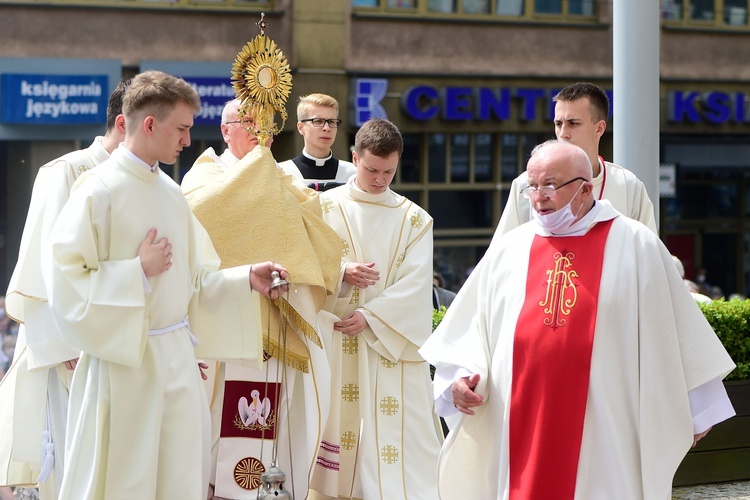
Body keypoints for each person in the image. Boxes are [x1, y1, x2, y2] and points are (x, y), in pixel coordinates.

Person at [420, 140, 736, 499]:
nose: (539, 197)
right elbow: (471, 328)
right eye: (532, 186)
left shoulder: (635, 244)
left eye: (551, 185)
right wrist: (459, 377)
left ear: (585, 188)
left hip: (607, 424)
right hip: (520, 422)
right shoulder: (510, 248)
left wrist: (695, 406)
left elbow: (674, 329)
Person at [46, 70, 289, 499]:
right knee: (126, 479)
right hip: (126, 363)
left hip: (175, 357)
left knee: (178, 478)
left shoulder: (171, 192)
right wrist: (135, 270)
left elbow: (194, 280)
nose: (188, 139)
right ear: (149, 124)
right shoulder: (97, 191)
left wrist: (242, 278)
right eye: (181, 128)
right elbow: (65, 281)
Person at [181, 98, 341, 500]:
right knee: (216, 422)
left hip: (275, 316)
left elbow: (304, 227)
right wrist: (259, 172)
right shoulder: (203, 174)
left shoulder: (279, 177)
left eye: (265, 125)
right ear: (225, 130)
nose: (259, 133)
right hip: (224, 320)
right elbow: (205, 211)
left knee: (276, 427)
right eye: (248, 123)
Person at [0, 78, 130, 499]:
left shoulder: (141, 179)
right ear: (125, 123)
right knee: (71, 465)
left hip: (118, 347)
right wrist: (67, 343)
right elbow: (44, 266)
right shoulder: (66, 172)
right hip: (70, 352)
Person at [309, 118, 443, 500]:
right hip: (337, 340)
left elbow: (417, 286)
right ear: (354, 158)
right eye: (371, 169)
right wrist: (341, 273)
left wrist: (370, 316)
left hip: (389, 346)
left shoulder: (414, 219)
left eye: (388, 171)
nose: (380, 179)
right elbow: (303, 266)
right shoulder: (323, 207)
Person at [492, 81, 657, 240]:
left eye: (573, 123)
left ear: (599, 128)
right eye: (558, 123)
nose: (563, 133)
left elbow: (649, 253)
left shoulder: (628, 186)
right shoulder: (527, 184)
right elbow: (501, 255)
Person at [278, 93, 356, 191]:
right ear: (301, 128)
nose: (327, 128)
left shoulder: (353, 174)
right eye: (318, 121)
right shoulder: (282, 173)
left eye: (332, 122)